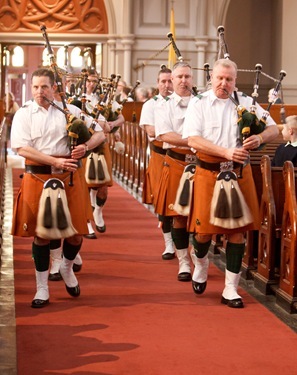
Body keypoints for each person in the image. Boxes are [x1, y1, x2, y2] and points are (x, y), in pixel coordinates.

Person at [183, 58, 279, 308]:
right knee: (203, 233)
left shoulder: (246, 102)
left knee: (238, 233)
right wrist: (225, 152)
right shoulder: (199, 102)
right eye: (220, 78)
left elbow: (274, 129)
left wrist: (259, 138)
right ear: (211, 78)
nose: (224, 83)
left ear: (235, 81)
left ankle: (230, 289)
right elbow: (193, 139)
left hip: (239, 174)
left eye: (229, 79)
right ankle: (201, 263)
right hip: (208, 173)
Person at [10, 68, 106, 308]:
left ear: (54, 87)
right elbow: (21, 148)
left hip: (70, 178)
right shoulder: (24, 113)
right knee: (41, 236)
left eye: (44, 86)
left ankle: (65, 267)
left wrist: (86, 147)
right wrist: (54, 161)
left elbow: (100, 133)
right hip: (39, 177)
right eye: (35, 87)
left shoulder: (70, 111)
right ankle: (41, 288)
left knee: (76, 233)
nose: (39, 92)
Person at [154, 61, 196, 281]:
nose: (182, 81)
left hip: (201, 164)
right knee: (178, 217)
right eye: (178, 77)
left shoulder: (202, 102)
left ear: (192, 78)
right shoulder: (163, 105)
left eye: (187, 76)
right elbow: (163, 135)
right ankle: (183, 262)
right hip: (177, 162)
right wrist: (194, 142)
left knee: (200, 216)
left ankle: (199, 260)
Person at [83, 69, 125, 236]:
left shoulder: (106, 99)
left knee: (103, 185)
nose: (91, 84)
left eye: (94, 81)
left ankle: (98, 211)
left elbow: (121, 118)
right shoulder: (77, 99)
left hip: (102, 145)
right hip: (85, 145)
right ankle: (86, 222)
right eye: (88, 80)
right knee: (85, 186)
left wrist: (111, 125)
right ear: (83, 81)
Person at [139, 66, 175, 260]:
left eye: (170, 81)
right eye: (163, 81)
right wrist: (177, 132)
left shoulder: (186, 103)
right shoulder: (150, 105)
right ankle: (168, 242)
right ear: (158, 83)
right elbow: (152, 132)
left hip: (181, 156)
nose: (167, 85)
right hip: (160, 156)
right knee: (163, 200)